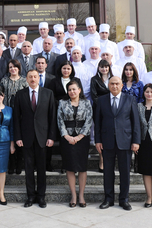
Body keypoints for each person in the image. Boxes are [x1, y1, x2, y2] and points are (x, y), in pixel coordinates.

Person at [94, 76, 140, 211]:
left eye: (117, 84)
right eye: (112, 83)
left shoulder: (130, 99)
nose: (114, 86)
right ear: (108, 85)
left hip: (125, 141)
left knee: (125, 172)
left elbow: (135, 122)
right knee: (108, 172)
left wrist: (136, 141)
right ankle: (108, 199)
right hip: (107, 141)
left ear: (122, 85)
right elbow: (98, 122)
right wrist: (97, 140)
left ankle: (124, 199)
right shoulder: (101, 100)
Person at [14, 70, 57, 208]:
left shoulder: (48, 93)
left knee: (42, 168)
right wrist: (18, 137)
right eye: (30, 77)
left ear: (39, 78)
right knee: (28, 168)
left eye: (35, 76)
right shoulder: (20, 95)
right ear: (26, 79)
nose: (33, 79)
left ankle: (41, 196)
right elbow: (16, 118)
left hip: (43, 137)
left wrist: (51, 137)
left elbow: (52, 117)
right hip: (26, 138)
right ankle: (30, 196)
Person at [57, 79, 93, 208]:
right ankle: (73, 195)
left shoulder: (87, 103)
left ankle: (81, 195)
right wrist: (67, 136)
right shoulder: (62, 103)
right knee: (70, 166)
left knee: (82, 167)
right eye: (69, 89)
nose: (72, 92)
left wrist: (79, 137)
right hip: (67, 138)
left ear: (79, 90)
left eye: (74, 89)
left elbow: (89, 120)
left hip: (82, 138)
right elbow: (60, 120)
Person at [0, 59, 28, 175]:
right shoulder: (4, 80)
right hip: (7, 112)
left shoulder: (24, 81)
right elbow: (0, 96)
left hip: (21, 114)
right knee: (9, 139)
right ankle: (11, 164)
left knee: (19, 138)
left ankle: (19, 164)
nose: (13, 69)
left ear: (19, 68)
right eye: (10, 67)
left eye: (15, 67)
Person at [90, 59, 113, 173]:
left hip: (112, 110)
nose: (104, 69)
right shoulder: (94, 80)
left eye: (106, 67)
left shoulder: (113, 79)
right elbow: (93, 95)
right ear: (98, 68)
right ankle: (101, 160)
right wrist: (103, 105)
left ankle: (109, 160)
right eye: (102, 67)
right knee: (100, 134)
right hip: (99, 109)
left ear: (109, 67)